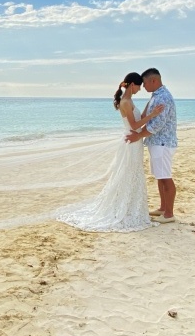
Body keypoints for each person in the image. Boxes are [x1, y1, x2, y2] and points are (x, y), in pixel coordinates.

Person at [55, 72, 164, 232]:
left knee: (132, 173)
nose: (140, 89)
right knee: (128, 173)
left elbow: (138, 117)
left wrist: (149, 107)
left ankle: (129, 207)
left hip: (134, 141)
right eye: (139, 86)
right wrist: (153, 115)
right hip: (131, 142)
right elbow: (134, 126)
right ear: (133, 84)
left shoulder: (128, 100)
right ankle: (123, 209)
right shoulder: (125, 101)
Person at [125, 68, 177, 223]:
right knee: (160, 177)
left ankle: (169, 214)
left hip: (162, 143)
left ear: (153, 81)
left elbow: (157, 125)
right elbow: (147, 118)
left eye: (145, 83)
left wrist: (138, 136)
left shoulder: (163, 98)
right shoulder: (157, 96)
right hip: (157, 143)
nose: (144, 87)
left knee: (166, 177)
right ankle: (163, 208)